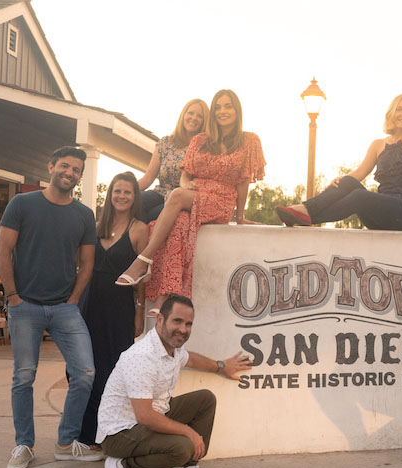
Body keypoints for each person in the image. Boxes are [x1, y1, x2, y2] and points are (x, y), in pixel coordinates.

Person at [0, 146, 104, 468]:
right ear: (51, 166)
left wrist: (73, 299)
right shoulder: (22, 203)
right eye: (65, 166)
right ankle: (23, 445)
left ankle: (65, 443)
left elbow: (87, 263)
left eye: (76, 170)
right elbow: (3, 249)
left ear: (80, 176)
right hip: (24, 305)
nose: (70, 173)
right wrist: (13, 296)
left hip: (64, 309)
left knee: (85, 373)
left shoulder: (84, 215)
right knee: (23, 377)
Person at [116, 89, 266, 313]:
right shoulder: (201, 140)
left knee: (176, 195)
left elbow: (243, 181)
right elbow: (186, 174)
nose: (222, 111)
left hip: (222, 199)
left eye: (228, 106)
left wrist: (241, 216)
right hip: (194, 193)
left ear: (237, 110)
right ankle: (164, 297)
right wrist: (185, 183)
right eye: (218, 107)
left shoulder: (249, 140)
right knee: (178, 224)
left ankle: (143, 260)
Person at [96, 294, 253, 468]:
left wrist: (221, 366)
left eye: (188, 324)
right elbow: (144, 416)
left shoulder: (173, 348)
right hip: (119, 434)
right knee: (183, 448)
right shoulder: (141, 356)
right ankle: (121, 467)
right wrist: (189, 432)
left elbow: (191, 359)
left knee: (205, 399)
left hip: (151, 417)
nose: (183, 329)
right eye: (177, 321)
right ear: (160, 319)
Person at [274, 93, 402, 232]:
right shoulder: (377, 145)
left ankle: (307, 215)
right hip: (380, 213)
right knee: (347, 182)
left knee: (360, 196)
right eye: (399, 109)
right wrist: (339, 181)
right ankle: (305, 210)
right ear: (391, 114)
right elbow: (359, 173)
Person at [76, 172, 149, 446]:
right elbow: (83, 266)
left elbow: (142, 276)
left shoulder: (139, 229)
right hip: (90, 303)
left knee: (114, 369)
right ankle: (85, 434)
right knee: (86, 368)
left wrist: (139, 311)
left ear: (134, 197)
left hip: (119, 307)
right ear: (110, 195)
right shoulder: (97, 226)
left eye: (127, 192)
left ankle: (110, 434)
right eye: (117, 191)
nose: (121, 196)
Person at [138, 99, 209, 223]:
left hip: (180, 200)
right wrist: (127, 189)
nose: (194, 118)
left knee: (151, 215)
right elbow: (148, 178)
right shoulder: (165, 143)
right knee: (135, 201)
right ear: (183, 115)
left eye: (199, 116)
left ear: (205, 121)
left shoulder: (205, 148)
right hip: (160, 193)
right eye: (190, 113)